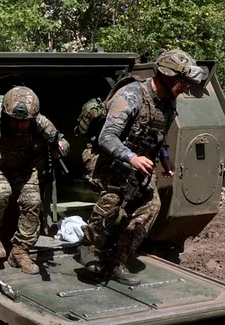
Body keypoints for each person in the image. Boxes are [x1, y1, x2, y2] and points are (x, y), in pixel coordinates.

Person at [75, 49, 208, 284]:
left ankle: (117, 260)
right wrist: (132, 157)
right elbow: (107, 137)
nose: (186, 88)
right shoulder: (131, 94)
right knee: (113, 200)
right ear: (168, 77)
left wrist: (165, 156)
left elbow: (158, 133)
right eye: (182, 82)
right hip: (105, 159)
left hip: (135, 164)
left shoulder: (168, 102)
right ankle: (90, 245)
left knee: (151, 205)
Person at [0, 86, 69, 274]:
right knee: (1, 190)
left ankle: (20, 251)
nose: (20, 126)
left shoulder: (40, 122)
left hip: (22, 171)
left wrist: (60, 147)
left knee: (33, 201)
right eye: (15, 121)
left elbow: (61, 140)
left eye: (25, 122)